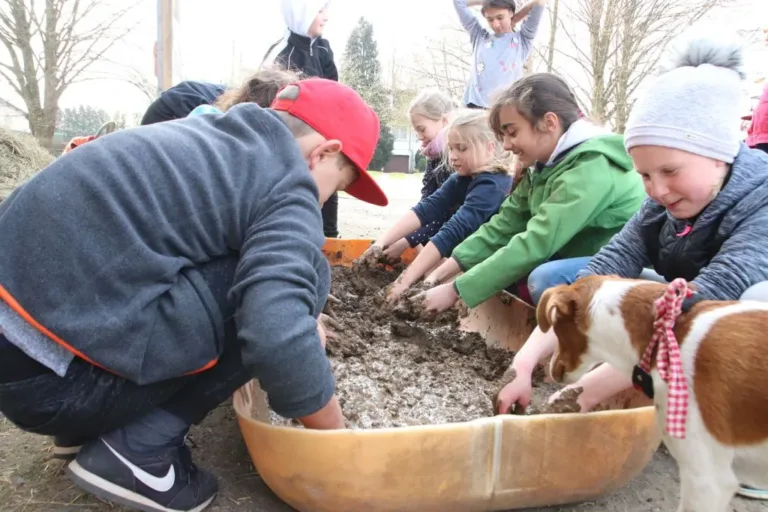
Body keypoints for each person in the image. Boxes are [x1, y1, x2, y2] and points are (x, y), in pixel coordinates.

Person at [0, 77, 387, 512]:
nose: (322, 203)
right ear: (325, 152)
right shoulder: (289, 182)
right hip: (53, 384)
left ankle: (91, 428)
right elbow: (275, 329)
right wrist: (339, 441)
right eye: (336, 186)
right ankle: (138, 453)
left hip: (23, 359)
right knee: (308, 275)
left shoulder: (208, 138)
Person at [495, 34, 768, 500]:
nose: (657, 189)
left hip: (730, 321)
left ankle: (743, 446)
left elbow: (689, 316)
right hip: (681, 309)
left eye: (671, 171)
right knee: (578, 285)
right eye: (644, 175)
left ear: (721, 152)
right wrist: (522, 366)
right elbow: (594, 280)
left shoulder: (758, 199)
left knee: (754, 301)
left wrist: (586, 391)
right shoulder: (659, 205)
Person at [416, 73, 645, 313]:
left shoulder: (592, 167)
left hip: (623, 270)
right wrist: (438, 275)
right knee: (513, 272)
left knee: (544, 279)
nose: (505, 145)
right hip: (577, 260)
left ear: (549, 122)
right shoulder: (543, 167)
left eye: (512, 132)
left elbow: (537, 242)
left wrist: (456, 290)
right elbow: (503, 226)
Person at [357, 109, 514, 300]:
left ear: (489, 147)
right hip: (467, 258)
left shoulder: (493, 185)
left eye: (462, 148)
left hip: (496, 266)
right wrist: (380, 243)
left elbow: (454, 231)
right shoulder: (462, 177)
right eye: (451, 148)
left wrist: (403, 283)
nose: (453, 156)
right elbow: (428, 208)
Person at [264, 0, 341, 238]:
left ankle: (328, 238)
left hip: (321, 136)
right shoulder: (281, 52)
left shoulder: (324, 49)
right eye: (319, 10)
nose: (326, 16)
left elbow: (334, 92)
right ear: (301, 12)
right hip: (288, 140)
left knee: (329, 182)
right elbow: (263, 98)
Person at [379, 89, 459, 263]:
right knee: (413, 230)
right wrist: (403, 236)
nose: (420, 137)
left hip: (461, 230)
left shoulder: (456, 160)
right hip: (443, 225)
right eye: (416, 132)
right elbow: (427, 202)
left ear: (444, 121)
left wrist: (406, 241)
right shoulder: (433, 156)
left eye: (422, 129)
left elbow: (447, 214)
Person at [453, 0, 547, 109]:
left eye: (500, 17)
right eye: (490, 19)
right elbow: (458, 2)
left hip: (503, 108)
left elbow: (540, 2)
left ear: (511, 13)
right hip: (473, 106)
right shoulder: (479, 36)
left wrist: (517, 17)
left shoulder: (523, 39)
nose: (496, 24)